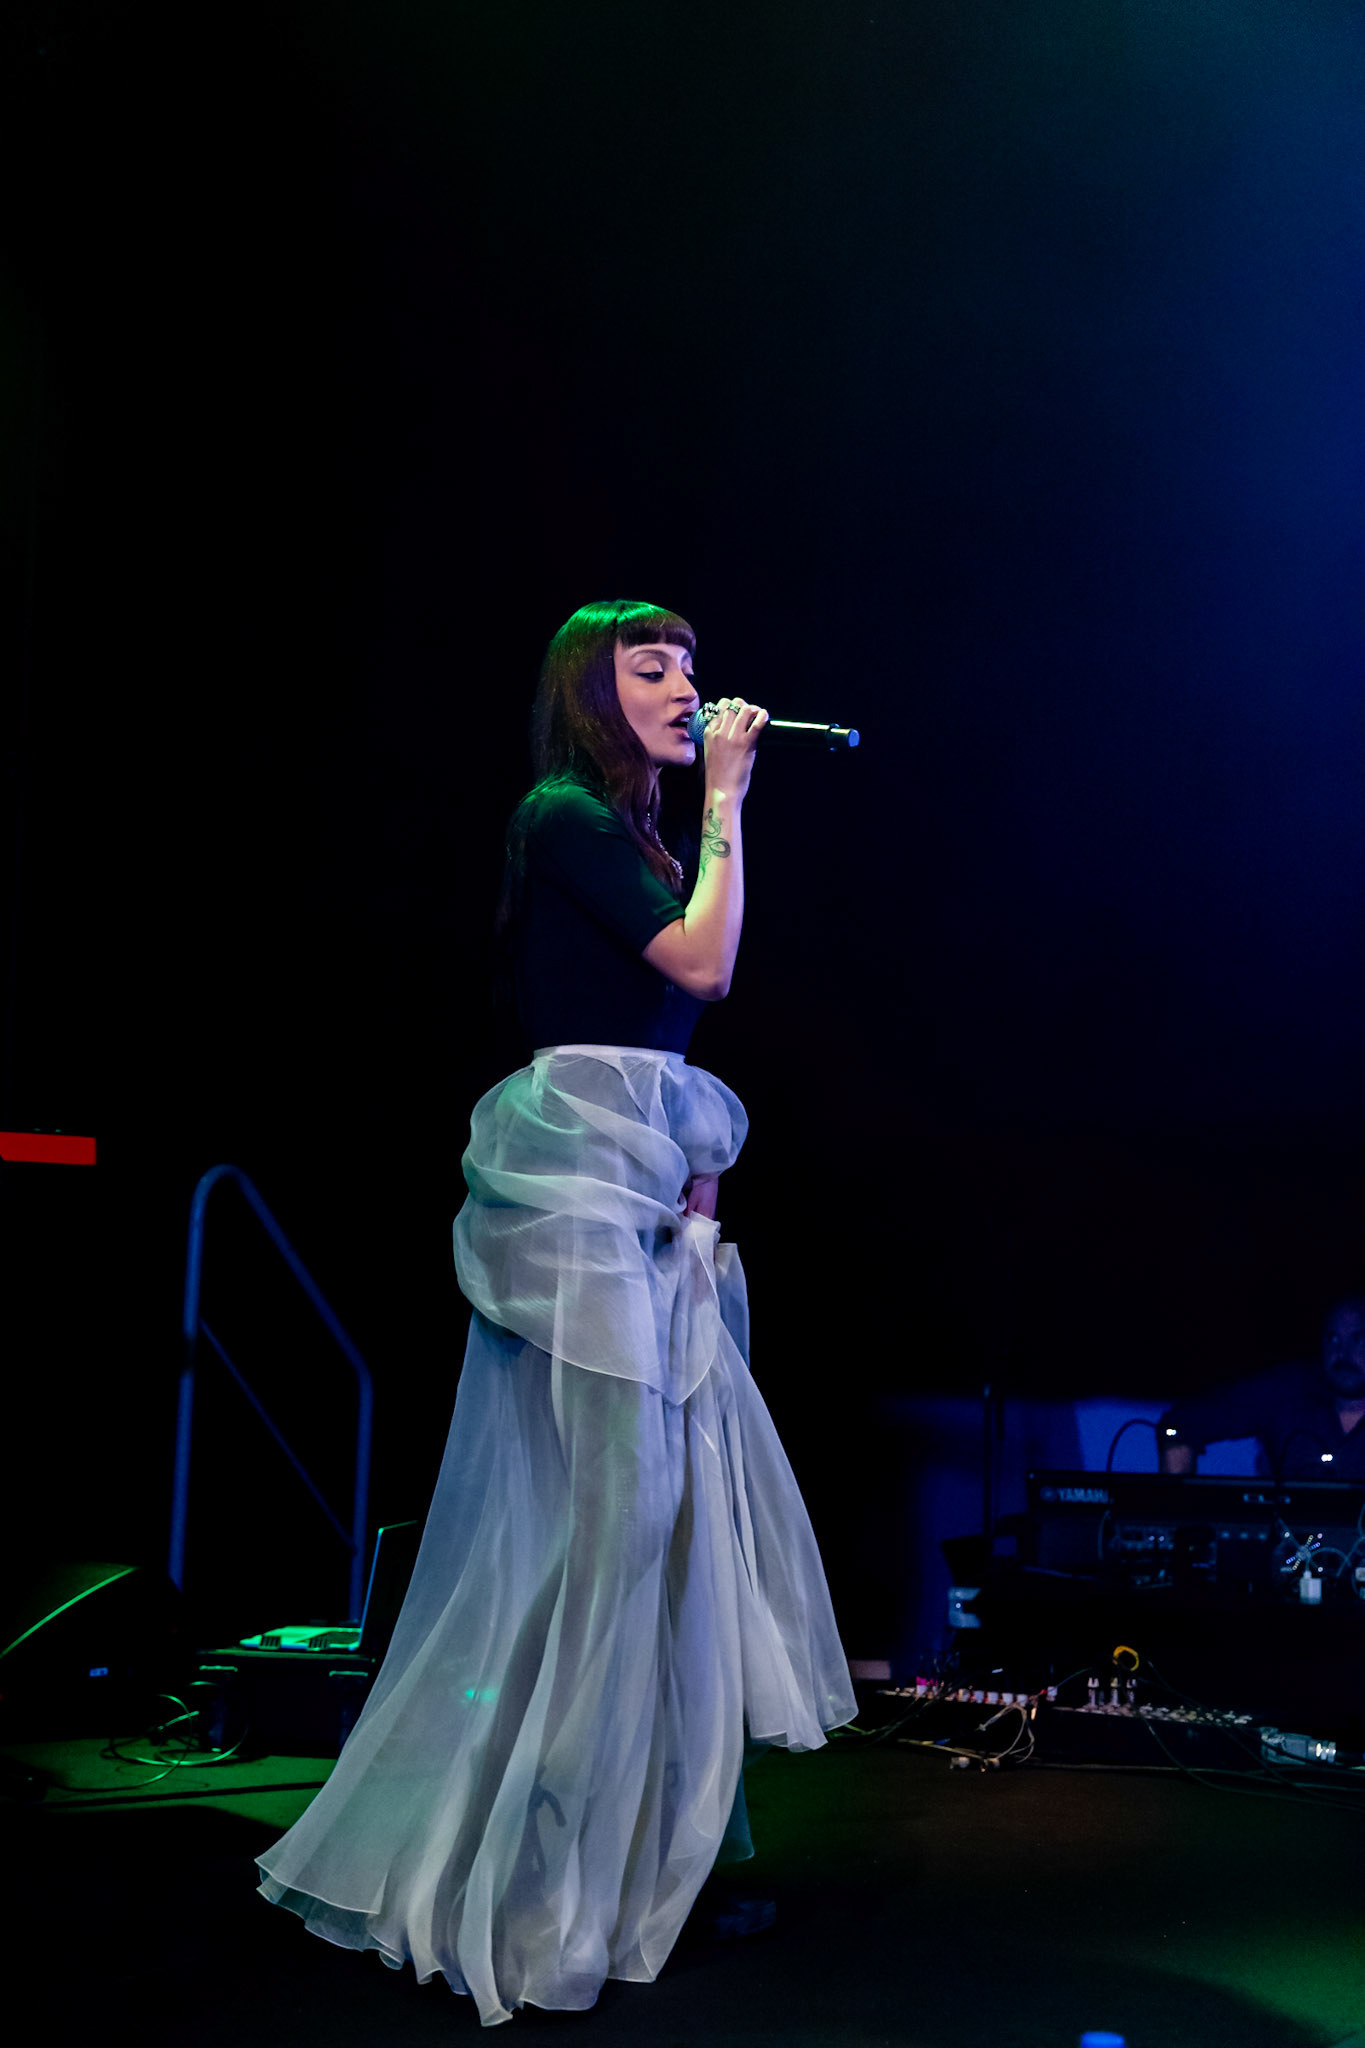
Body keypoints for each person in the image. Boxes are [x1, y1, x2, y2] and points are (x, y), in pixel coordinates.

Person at [254, 599, 856, 2026]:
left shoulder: (644, 843)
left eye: (692, 665)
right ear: (593, 693)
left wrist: (696, 1180)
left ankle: (641, 1872)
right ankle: (545, 1892)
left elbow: (678, 1029)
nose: (688, 685)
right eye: (652, 667)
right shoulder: (564, 816)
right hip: (573, 1197)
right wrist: (728, 800)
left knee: (659, 1536)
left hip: (634, 1201)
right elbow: (701, 968)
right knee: (619, 1528)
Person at [1157, 1295, 1365, 1480]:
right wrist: (1176, 1505)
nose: (1342, 1352)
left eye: (1358, 1339)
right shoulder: (1286, 1391)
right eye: (1333, 1338)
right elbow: (1180, 1424)